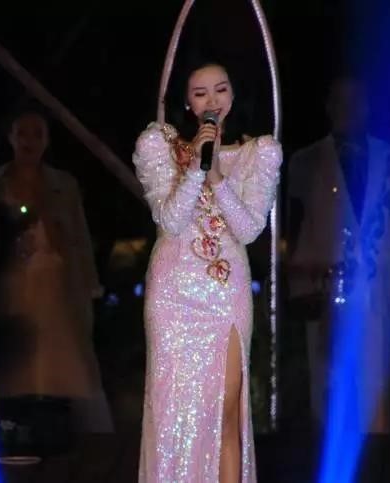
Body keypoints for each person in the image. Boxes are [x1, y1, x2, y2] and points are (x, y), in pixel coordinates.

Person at [133, 59, 282, 483]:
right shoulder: (158, 145)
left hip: (225, 294)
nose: (212, 101)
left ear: (234, 94)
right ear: (187, 101)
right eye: (200, 93)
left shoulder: (260, 152)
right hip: (173, 293)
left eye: (221, 89)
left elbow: (249, 229)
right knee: (171, 411)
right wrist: (197, 167)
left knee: (226, 411)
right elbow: (171, 220)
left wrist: (217, 177)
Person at [287, 74, 390, 434]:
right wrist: (299, 288)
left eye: (356, 101)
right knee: (327, 384)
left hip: (378, 290)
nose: (348, 109)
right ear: (329, 107)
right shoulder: (305, 162)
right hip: (324, 290)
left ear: (368, 107)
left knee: (376, 382)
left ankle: (376, 452)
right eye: (340, 101)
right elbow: (297, 228)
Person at [0, 105, 113, 433]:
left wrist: (89, 285)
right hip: (9, 287)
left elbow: (78, 238)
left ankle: (72, 436)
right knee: (13, 365)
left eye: (37, 134)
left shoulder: (63, 184)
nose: (29, 141)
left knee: (64, 366)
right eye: (22, 133)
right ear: (11, 138)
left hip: (56, 287)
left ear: (47, 141)